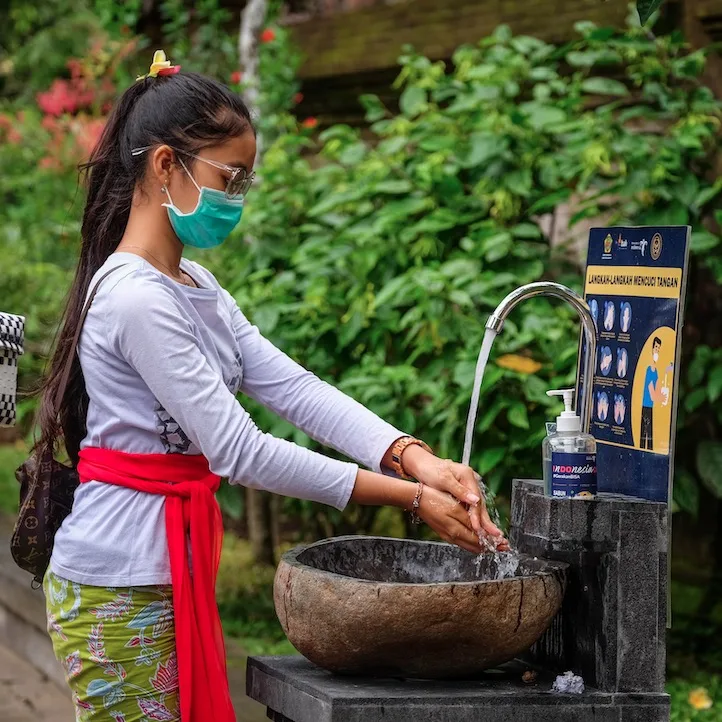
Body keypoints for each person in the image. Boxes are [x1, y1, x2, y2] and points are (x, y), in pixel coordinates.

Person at [35, 53, 505, 722]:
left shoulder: (197, 287)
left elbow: (294, 388)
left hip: (165, 567)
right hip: (119, 581)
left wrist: (415, 456)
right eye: (230, 177)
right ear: (166, 165)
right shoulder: (135, 298)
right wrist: (413, 497)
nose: (238, 197)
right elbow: (240, 451)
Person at [640, 337, 668, 450]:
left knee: (650, 437)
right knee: (645, 437)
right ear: (652, 349)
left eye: (659, 348)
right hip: (646, 406)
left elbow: (656, 389)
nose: (657, 350)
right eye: (656, 347)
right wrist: (660, 398)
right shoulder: (648, 370)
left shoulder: (656, 371)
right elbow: (651, 392)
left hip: (651, 406)